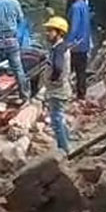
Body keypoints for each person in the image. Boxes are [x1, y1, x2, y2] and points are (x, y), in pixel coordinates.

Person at [42, 16, 72, 153]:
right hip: (60, 89)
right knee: (60, 117)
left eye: (50, 31)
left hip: (57, 90)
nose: (47, 33)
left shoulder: (59, 49)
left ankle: (64, 150)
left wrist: (52, 79)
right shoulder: (59, 47)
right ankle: (68, 143)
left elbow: (58, 68)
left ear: (59, 32)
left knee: (57, 121)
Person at [64, 0, 92, 99]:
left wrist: (68, 43)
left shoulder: (75, 7)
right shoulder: (84, 5)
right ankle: (81, 94)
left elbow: (74, 27)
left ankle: (66, 94)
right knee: (81, 72)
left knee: (66, 72)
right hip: (84, 42)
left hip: (75, 45)